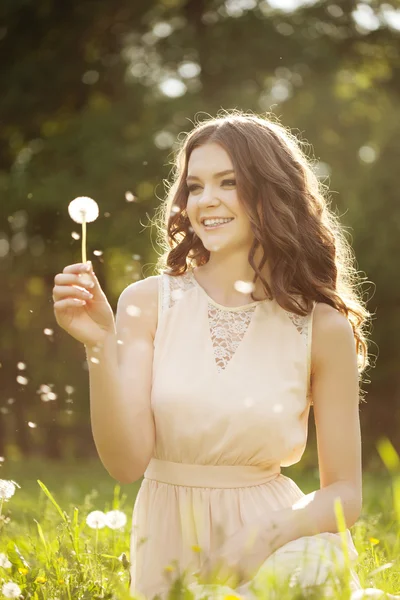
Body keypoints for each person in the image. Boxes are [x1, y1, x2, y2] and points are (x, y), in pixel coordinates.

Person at [52, 112, 399, 600]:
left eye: (229, 182)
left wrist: (262, 539)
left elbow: (345, 492)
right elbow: (126, 465)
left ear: (272, 192)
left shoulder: (322, 327)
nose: (205, 200)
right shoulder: (146, 302)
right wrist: (98, 347)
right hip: (167, 540)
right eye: (194, 186)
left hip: (278, 543)